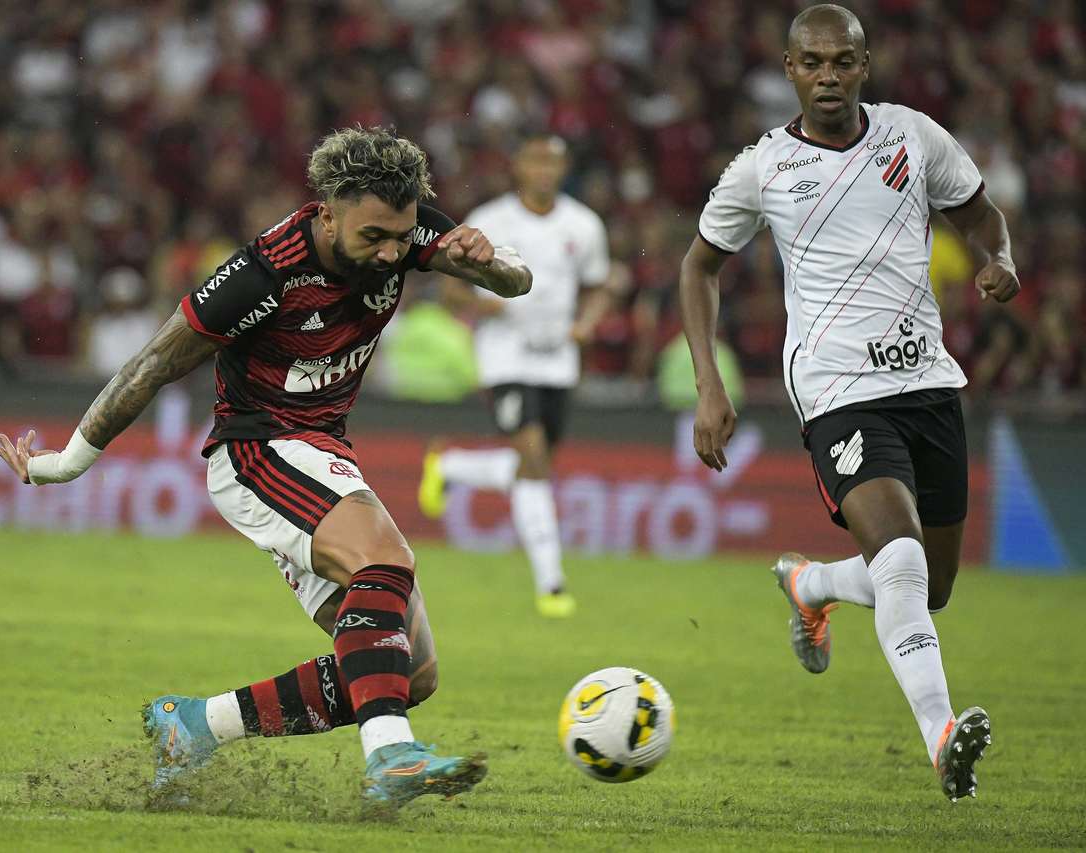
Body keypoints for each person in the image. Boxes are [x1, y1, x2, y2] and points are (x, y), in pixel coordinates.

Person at [0, 126, 532, 812]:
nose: (393, 251)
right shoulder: (266, 272)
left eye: (401, 236)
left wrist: (489, 263)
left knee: (408, 669)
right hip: (256, 449)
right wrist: (64, 463)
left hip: (323, 449)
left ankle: (192, 724)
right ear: (327, 211)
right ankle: (391, 754)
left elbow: (515, 280)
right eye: (375, 237)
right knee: (385, 560)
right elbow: (153, 363)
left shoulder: (408, 227)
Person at [679, 5, 1020, 802]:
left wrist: (996, 258)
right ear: (789, 69)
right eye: (812, 63)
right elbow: (698, 268)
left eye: (842, 61)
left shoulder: (913, 136)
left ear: (864, 66)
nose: (828, 76)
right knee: (899, 560)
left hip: (928, 382)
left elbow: (979, 214)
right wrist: (709, 383)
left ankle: (816, 586)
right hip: (836, 389)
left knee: (930, 587)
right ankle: (941, 738)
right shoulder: (762, 168)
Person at [417, 134, 616, 618]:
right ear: (518, 167)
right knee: (533, 456)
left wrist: (587, 324)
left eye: (553, 162)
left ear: (564, 167)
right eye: (535, 161)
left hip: (557, 360)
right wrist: (484, 300)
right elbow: (450, 295)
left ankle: (453, 466)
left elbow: (598, 288)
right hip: (505, 357)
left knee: (536, 465)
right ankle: (551, 584)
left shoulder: (583, 225)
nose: (545, 170)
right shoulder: (491, 221)